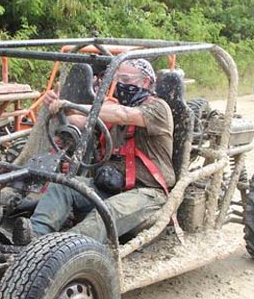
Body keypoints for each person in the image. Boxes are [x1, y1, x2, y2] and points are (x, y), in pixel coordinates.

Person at [14, 58, 175, 244]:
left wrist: (73, 106)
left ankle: (62, 248)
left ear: (145, 82)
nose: (120, 85)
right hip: (112, 186)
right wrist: (58, 106)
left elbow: (123, 115)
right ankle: (34, 237)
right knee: (63, 186)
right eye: (117, 79)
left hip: (148, 193)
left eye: (126, 79)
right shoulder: (111, 108)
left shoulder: (158, 109)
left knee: (107, 211)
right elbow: (79, 121)